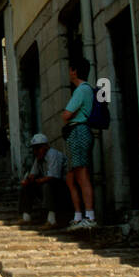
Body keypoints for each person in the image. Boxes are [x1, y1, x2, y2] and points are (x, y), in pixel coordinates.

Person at [62, 57, 97, 230]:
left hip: (78, 131)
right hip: (76, 132)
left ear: (75, 71)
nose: (69, 73)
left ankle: (89, 215)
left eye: (70, 69)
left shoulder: (82, 90)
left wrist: (67, 114)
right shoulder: (84, 90)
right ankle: (78, 215)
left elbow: (66, 114)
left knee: (81, 174)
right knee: (71, 176)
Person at [19, 134, 68, 226]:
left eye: (38, 148)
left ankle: (51, 220)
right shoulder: (38, 157)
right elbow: (33, 174)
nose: (36, 151)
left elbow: (53, 176)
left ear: (46, 147)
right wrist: (28, 180)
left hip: (62, 186)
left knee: (47, 185)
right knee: (27, 186)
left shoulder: (52, 154)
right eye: (34, 149)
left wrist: (37, 181)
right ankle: (26, 217)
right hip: (49, 183)